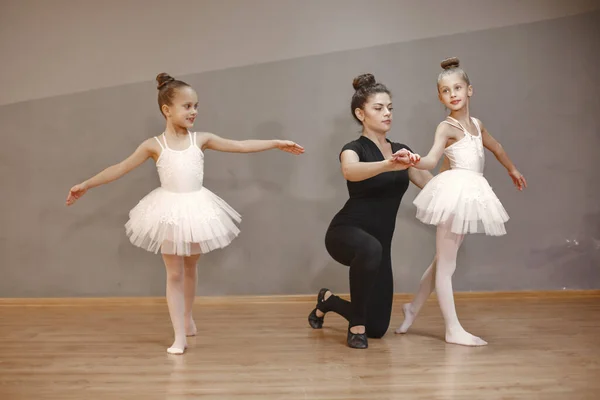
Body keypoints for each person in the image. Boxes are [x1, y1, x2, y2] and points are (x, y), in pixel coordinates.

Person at [66, 73, 304, 354]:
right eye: (187, 106)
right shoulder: (154, 145)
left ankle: (187, 316)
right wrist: (86, 184)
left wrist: (275, 143)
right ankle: (179, 335)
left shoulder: (201, 139)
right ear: (167, 110)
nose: (194, 112)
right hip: (167, 212)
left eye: (196, 106)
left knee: (191, 266)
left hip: (196, 209)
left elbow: (240, 145)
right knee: (174, 274)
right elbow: (119, 168)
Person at [395, 57, 527, 346]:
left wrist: (512, 169)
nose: (452, 94)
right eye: (446, 90)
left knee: (443, 260)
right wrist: (416, 159)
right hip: (455, 194)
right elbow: (432, 158)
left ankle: (413, 308)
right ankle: (452, 329)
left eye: (457, 87)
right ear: (439, 96)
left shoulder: (477, 125)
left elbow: (496, 147)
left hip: (468, 194)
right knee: (447, 266)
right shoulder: (447, 127)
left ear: (470, 90)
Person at [307, 73, 430, 349]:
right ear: (360, 114)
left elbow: (430, 185)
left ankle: (328, 301)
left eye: (390, 108)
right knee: (370, 249)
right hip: (345, 234)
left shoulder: (401, 152)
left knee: (378, 328)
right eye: (379, 108)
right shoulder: (353, 149)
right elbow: (350, 171)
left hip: (380, 249)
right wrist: (388, 165)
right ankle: (356, 327)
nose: (387, 113)